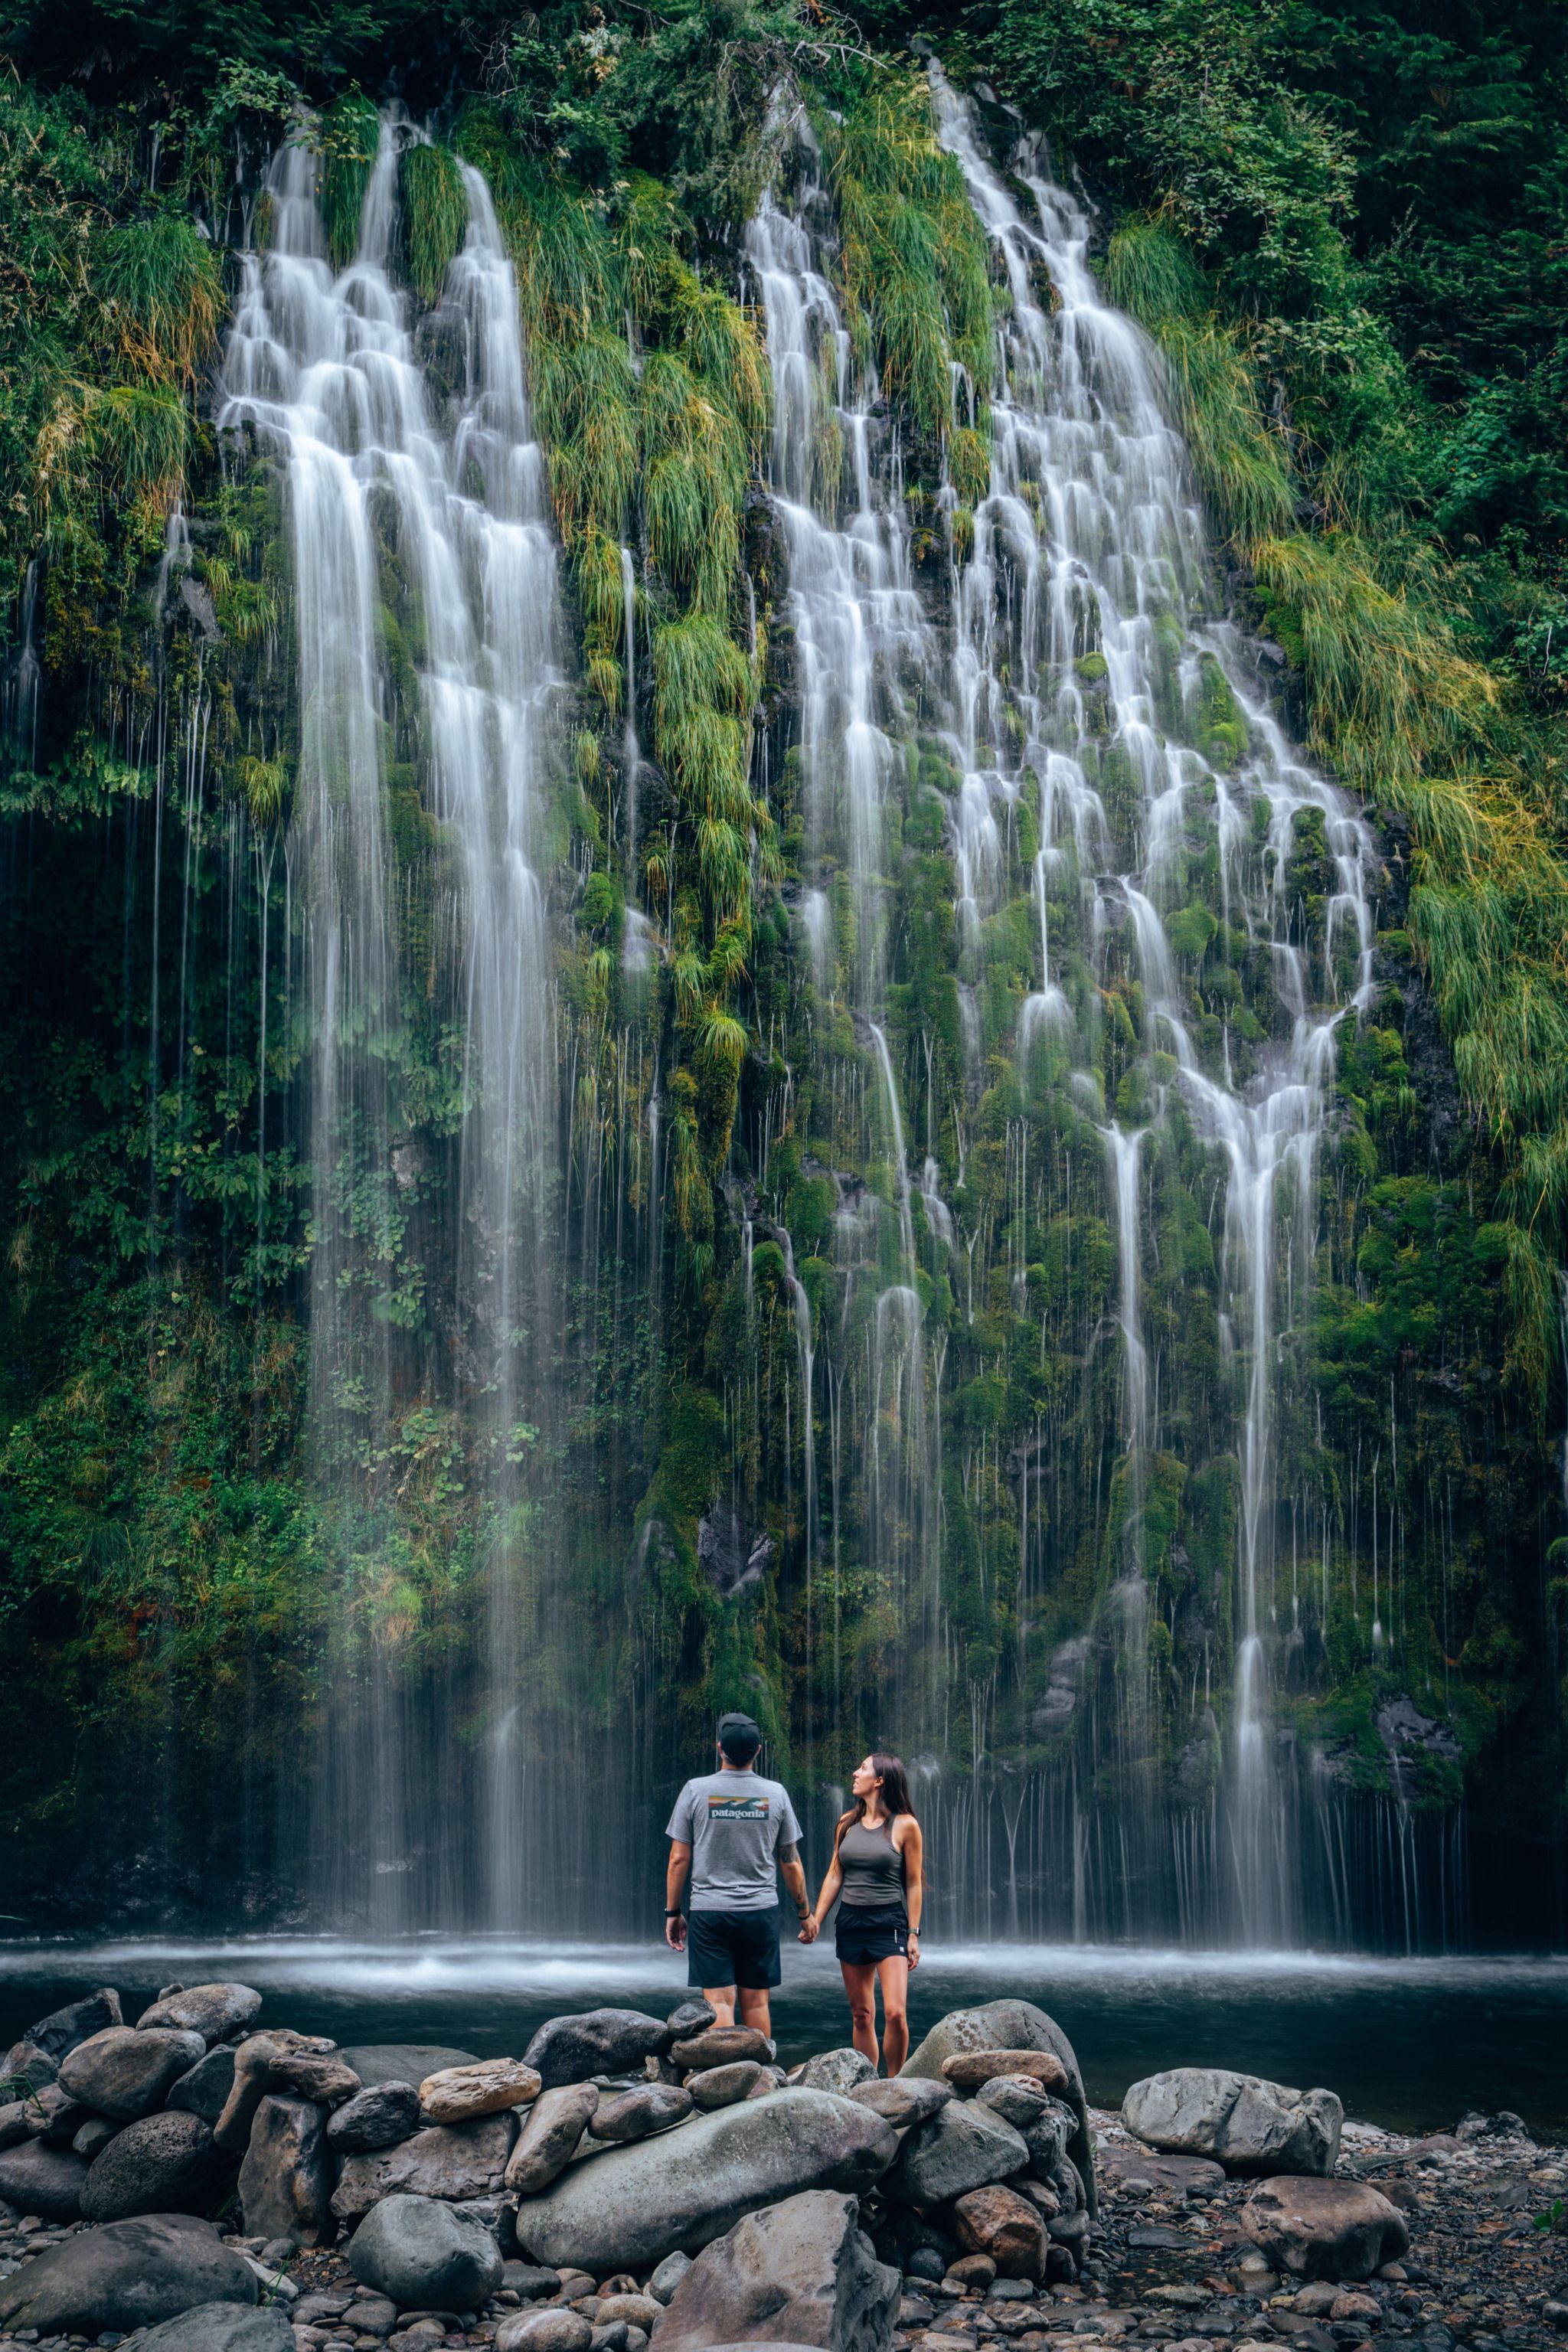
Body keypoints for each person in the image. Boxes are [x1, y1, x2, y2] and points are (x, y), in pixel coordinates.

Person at [665, 1711, 817, 2036]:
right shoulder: (775, 1794)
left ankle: (725, 2075)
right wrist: (805, 1913)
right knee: (758, 2004)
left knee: (719, 2001)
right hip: (759, 1911)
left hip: (710, 1910)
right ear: (758, 1751)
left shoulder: (695, 1790)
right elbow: (789, 1860)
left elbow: (679, 1859)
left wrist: (673, 1912)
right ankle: (761, 2076)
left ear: (719, 1748)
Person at [806, 1751, 923, 2074]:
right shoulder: (846, 1823)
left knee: (896, 2013)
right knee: (861, 2013)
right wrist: (816, 1918)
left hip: (890, 1923)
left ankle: (896, 2081)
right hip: (850, 1921)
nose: (855, 1774)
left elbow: (913, 1884)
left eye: (863, 1769)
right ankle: (867, 2082)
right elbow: (834, 1874)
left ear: (880, 1781)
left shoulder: (905, 1826)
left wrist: (914, 1934)